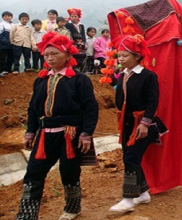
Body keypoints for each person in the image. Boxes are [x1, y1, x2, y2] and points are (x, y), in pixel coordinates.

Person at [16, 31, 99, 220]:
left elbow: (90, 108)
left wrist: (86, 133)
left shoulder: (80, 80)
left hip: (70, 134)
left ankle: (72, 208)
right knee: (33, 174)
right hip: (45, 135)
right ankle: (27, 215)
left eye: (54, 54)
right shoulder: (40, 80)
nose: (50, 58)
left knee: (69, 173)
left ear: (68, 55)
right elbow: (33, 108)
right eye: (46, 55)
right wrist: (30, 132)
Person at [109, 34, 168, 213]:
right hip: (127, 124)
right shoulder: (122, 76)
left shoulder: (148, 76)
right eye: (119, 55)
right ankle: (143, 193)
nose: (121, 59)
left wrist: (145, 123)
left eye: (125, 55)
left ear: (137, 56)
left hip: (142, 124)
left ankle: (128, 198)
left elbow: (153, 101)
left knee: (131, 158)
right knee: (129, 156)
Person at [0, 11, 14, 76]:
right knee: (2, 58)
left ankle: (9, 69)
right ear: (3, 17)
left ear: (11, 17)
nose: (7, 17)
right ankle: (2, 70)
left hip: (11, 45)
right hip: (3, 45)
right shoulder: (2, 24)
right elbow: (1, 35)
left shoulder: (13, 25)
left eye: (9, 16)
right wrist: (6, 42)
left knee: (10, 57)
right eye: (5, 16)